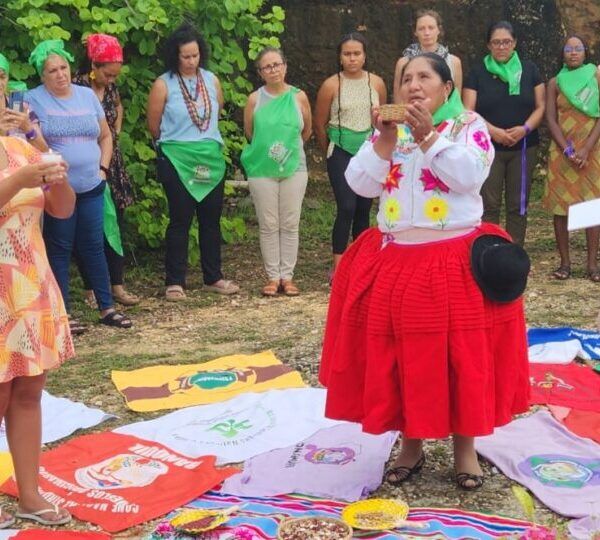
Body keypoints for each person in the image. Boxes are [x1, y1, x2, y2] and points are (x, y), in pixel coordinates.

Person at [319, 53, 530, 491]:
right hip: (398, 259)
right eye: (406, 79)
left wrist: (429, 136)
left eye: (425, 78)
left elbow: (469, 177)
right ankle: (410, 445)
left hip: (453, 259)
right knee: (405, 357)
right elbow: (360, 185)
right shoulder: (389, 135)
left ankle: (465, 450)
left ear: (446, 89)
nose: (414, 86)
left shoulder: (467, 126)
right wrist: (382, 142)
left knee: (460, 357)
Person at [25, 40, 132, 330]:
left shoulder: (87, 96)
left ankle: (106, 307)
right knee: (59, 247)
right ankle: (64, 314)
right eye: (51, 71)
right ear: (42, 75)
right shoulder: (33, 99)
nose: (60, 74)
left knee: (94, 245)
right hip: (60, 188)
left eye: (63, 67)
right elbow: (31, 140)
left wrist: (103, 169)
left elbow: (106, 136)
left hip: (92, 185)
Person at [0, 133, 74, 527]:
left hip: (28, 283)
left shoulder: (21, 148)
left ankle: (29, 494)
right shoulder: (22, 166)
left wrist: (57, 180)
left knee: (28, 391)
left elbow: (62, 210)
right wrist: (20, 179)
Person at [147, 22, 239, 300]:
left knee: (211, 220)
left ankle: (213, 277)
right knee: (180, 220)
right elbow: (154, 125)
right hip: (177, 158)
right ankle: (175, 281)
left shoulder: (211, 80)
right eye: (185, 56)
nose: (190, 61)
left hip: (209, 157)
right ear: (175, 56)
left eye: (195, 55)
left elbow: (219, 110)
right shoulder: (163, 84)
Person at [463, 21, 545, 246]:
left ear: (515, 43)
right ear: (489, 45)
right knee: (489, 204)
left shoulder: (529, 70)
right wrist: (494, 131)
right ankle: (490, 252)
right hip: (487, 148)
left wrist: (525, 129)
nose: (501, 47)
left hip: (524, 146)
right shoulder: (478, 71)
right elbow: (468, 110)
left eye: (506, 42)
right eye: (496, 42)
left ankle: (514, 251)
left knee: (518, 204)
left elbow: (541, 106)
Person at [73, 34, 139, 306]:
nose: (112, 80)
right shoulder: (76, 87)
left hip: (112, 165)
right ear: (93, 65)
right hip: (87, 166)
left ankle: (117, 285)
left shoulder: (110, 88)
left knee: (115, 224)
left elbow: (118, 107)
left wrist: (115, 133)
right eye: (108, 74)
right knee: (88, 229)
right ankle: (91, 287)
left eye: (115, 76)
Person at [314, 33, 386, 277]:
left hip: (368, 151)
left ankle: (362, 263)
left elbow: (381, 119)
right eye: (347, 54)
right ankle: (340, 267)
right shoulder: (331, 84)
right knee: (346, 206)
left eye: (357, 53)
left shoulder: (375, 83)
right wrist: (330, 150)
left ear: (365, 56)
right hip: (340, 151)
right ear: (340, 57)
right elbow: (319, 123)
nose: (352, 58)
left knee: (364, 209)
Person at [241, 47, 312, 296]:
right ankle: (272, 277)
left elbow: (307, 130)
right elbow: (250, 132)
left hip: (295, 166)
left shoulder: (298, 97)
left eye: (277, 64)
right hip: (262, 167)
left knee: (290, 222)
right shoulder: (254, 99)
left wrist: (288, 151)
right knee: (269, 223)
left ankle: (288, 277)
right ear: (260, 72)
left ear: (285, 66)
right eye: (267, 67)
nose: (273, 70)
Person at [544, 36, 600, 281]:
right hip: (562, 152)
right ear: (563, 53)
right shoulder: (555, 82)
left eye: (578, 48)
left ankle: (591, 265)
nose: (573, 52)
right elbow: (550, 119)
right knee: (561, 208)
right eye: (569, 49)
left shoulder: (596, 77)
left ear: (585, 53)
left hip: (592, 149)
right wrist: (566, 149)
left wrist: (586, 148)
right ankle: (565, 263)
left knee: (591, 206)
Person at [393, 8, 463, 103]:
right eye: (421, 28)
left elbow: (456, 100)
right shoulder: (403, 62)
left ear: (439, 30)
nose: (427, 33)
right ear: (415, 32)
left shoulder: (454, 62)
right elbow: (399, 99)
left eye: (431, 28)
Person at [0, 53, 47, 152]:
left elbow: (44, 151)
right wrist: (2, 134)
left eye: (2, 77)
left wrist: (27, 128)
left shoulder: (17, 104)